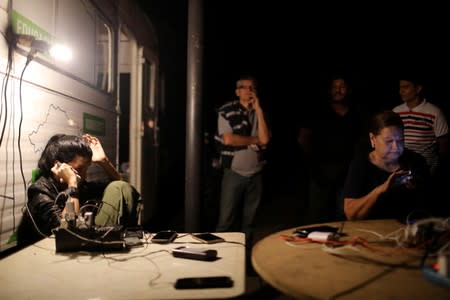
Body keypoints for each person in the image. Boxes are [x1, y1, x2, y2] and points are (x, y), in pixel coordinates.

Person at [17, 134, 141, 246]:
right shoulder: (40, 192)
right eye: (80, 169)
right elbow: (68, 231)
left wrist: (104, 162)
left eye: (87, 169)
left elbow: (120, 187)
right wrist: (72, 184)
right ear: (59, 166)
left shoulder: (81, 184)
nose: (84, 175)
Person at [298, 74, 365, 223]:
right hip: (320, 174)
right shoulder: (318, 111)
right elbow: (303, 138)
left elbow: (362, 142)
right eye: (335, 87)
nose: (338, 90)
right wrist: (313, 162)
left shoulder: (356, 113)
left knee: (343, 216)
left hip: (347, 175)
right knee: (317, 215)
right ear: (329, 90)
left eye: (342, 87)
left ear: (348, 90)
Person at [343, 110, 430, 221]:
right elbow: (351, 214)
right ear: (372, 139)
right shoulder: (361, 165)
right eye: (389, 141)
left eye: (400, 140)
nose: (396, 147)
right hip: (373, 232)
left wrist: (418, 190)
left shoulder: (416, 161)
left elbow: (430, 208)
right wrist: (382, 189)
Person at [215, 75, 271, 248]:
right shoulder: (227, 110)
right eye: (245, 87)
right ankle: (221, 259)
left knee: (249, 223)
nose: (249, 90)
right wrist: (255, 140)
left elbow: (266, 139)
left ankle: (244, 262)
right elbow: (229, 140)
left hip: (255, 174)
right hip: (234, 173)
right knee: (226, 221)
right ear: (237, 91)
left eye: (252, 87)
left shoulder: (261, 112)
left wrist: (259, 110)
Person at [392, 75, 448, 177]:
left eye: (406, 87)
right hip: (400, 169)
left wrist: (436, 169)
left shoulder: (434, 112)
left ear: (418, 89)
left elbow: (443, 144)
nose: (401, 91)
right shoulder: (396, 112)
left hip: (425, 170)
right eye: (400, 87)